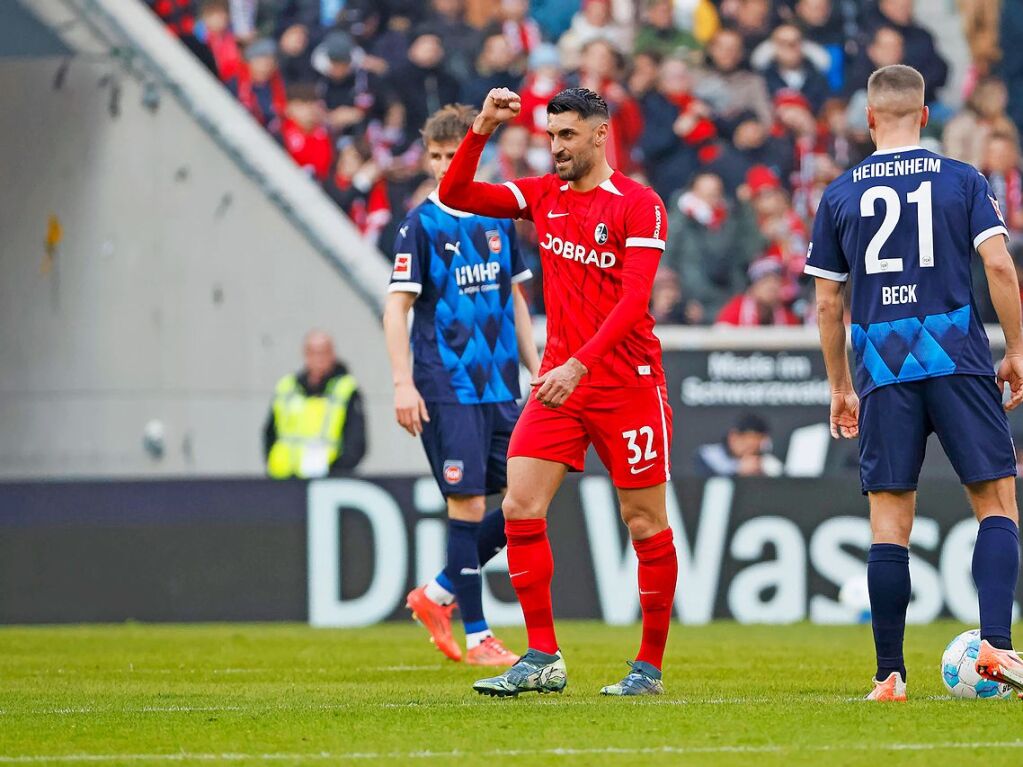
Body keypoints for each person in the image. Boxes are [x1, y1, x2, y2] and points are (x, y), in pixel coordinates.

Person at [439, 87, 679, 697]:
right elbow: (456, 194)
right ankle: (542, 655)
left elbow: (633, 302)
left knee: (644, 521)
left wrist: (581, 363)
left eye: (568, 135)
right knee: (519, 507)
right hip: (560, 384)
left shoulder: (640, 204)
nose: (557, 147)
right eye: (551, 136)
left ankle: (648, 667)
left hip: (626, 384)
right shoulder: (543, 196)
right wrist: (483, 128)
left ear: (601, 135)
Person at [806, 64, 1023, 702]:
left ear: (869, 119)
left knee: (888, 523)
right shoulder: (962, 178)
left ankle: (889, 675)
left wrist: (839, 385)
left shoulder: (840, 193)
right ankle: (997, 648)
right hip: (956, 353)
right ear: (925, 116)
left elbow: (827, 303)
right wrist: (1017, 350)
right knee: (995, 504)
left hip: (881, 364)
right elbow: (999, 267)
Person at [383, 104, 541, 667]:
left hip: (502, 385)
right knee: (469, 503)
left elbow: (516, 299)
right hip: (446, 384)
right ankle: (479, 638)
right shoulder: (420, 224)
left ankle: (441, 590)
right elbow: (396, 306)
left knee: (528, 498)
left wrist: (537, 366)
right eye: (439, 157)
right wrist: (403, 383)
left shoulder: (497, 216)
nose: (448, 165)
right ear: (428, 158)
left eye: (457, 156)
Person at [263, 330, 366, 479]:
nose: (319, 359)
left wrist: (336, 471)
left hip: (327, 479)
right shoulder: (287, 387)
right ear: (305, 354)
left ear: (332, 354)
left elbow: (355, 441)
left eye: (324, 352)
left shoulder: (345, 389)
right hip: (283, 479)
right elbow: (269, 433)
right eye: (313, 352)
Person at [716, 257, 802, 326]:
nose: (772, 287)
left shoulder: (786, 315)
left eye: (776, 281)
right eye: (766, 281)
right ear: (752, 288)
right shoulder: (736, 310)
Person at [695, 412, 782, 476]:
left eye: (755, 447)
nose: (750, 451)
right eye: (747, 444)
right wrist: (737, 470)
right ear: (733, 437)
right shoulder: (708, 454)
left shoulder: (764, 461)